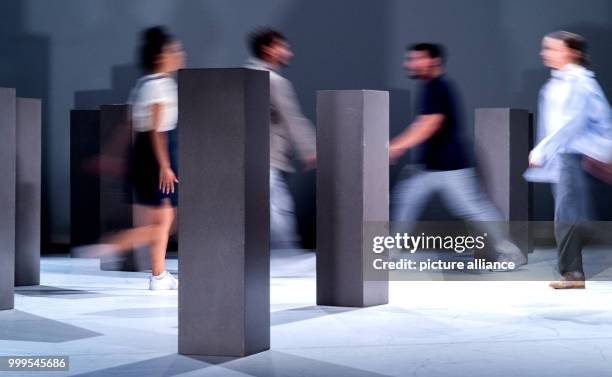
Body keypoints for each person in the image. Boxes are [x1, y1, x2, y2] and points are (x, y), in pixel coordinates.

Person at [389, 43, 525, 266]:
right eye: (409, 59)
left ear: (434, 61)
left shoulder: (438, 87)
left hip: (449, 167)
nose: (409, 64)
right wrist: (399, 145)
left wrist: (397, 146)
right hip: (428, 166)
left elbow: (429, 124)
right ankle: (391, 253)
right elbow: (426, 124)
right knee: (406, 202)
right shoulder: (431, 86)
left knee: (473, 208)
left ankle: (511, 253)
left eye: (416, 59)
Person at [73, 26, 184, 290]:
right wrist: (165, 165)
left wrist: (111, 155)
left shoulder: (142, 85)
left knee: (162, 220)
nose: (180, 54)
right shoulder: (162, 85)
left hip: (143, 156)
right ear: (161, 55)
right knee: (163, 223)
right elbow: (157, 129)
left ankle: (158, 276)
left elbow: (128, 125)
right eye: (175, 50)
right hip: (157, 153)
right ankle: (113, 244)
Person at [526, 31, 612, 289]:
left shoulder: (578, 82)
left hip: (578, 155)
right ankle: (572, 271)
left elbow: (571, 124)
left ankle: (573, 274)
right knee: (571, 214)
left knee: (568, 216)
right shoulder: (559, 82)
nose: (545, 53)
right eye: (545, 48)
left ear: (572, 52)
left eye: (552, 48)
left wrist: (542, 150)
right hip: (572, 156)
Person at [244, 28, 316, 249]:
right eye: (282, 47)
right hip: (268, 158)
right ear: (267, 48)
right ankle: (286, 257)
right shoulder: (274, 81)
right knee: (278, 209)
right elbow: (292, 118)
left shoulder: (243, 74)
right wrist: (310, 149)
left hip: (242, 156)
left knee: (264, 209)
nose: (288, 52)